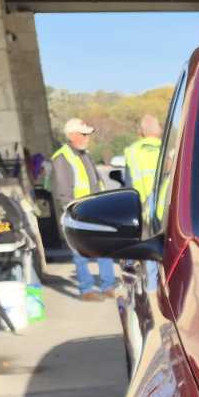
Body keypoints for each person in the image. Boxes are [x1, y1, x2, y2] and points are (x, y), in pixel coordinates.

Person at [50, 116, 116, 301]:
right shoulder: (62, 157)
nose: (87, 138)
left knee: (103, 249)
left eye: (88, 135)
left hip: (95, 210)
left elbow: (95, 183)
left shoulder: (83, 154)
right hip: (77, 213)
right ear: (72, 135)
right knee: (80, 253)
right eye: (84, 134)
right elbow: (64, 192)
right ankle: (86, 290)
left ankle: (108, 286)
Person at [123, 113, 163, 290]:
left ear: (141, 132)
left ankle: (152, 290)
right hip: (168, 206)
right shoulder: (169, 148)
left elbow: (128, 185)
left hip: (143, 206)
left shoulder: (132, 152)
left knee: (149, 250)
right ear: (160, 130)